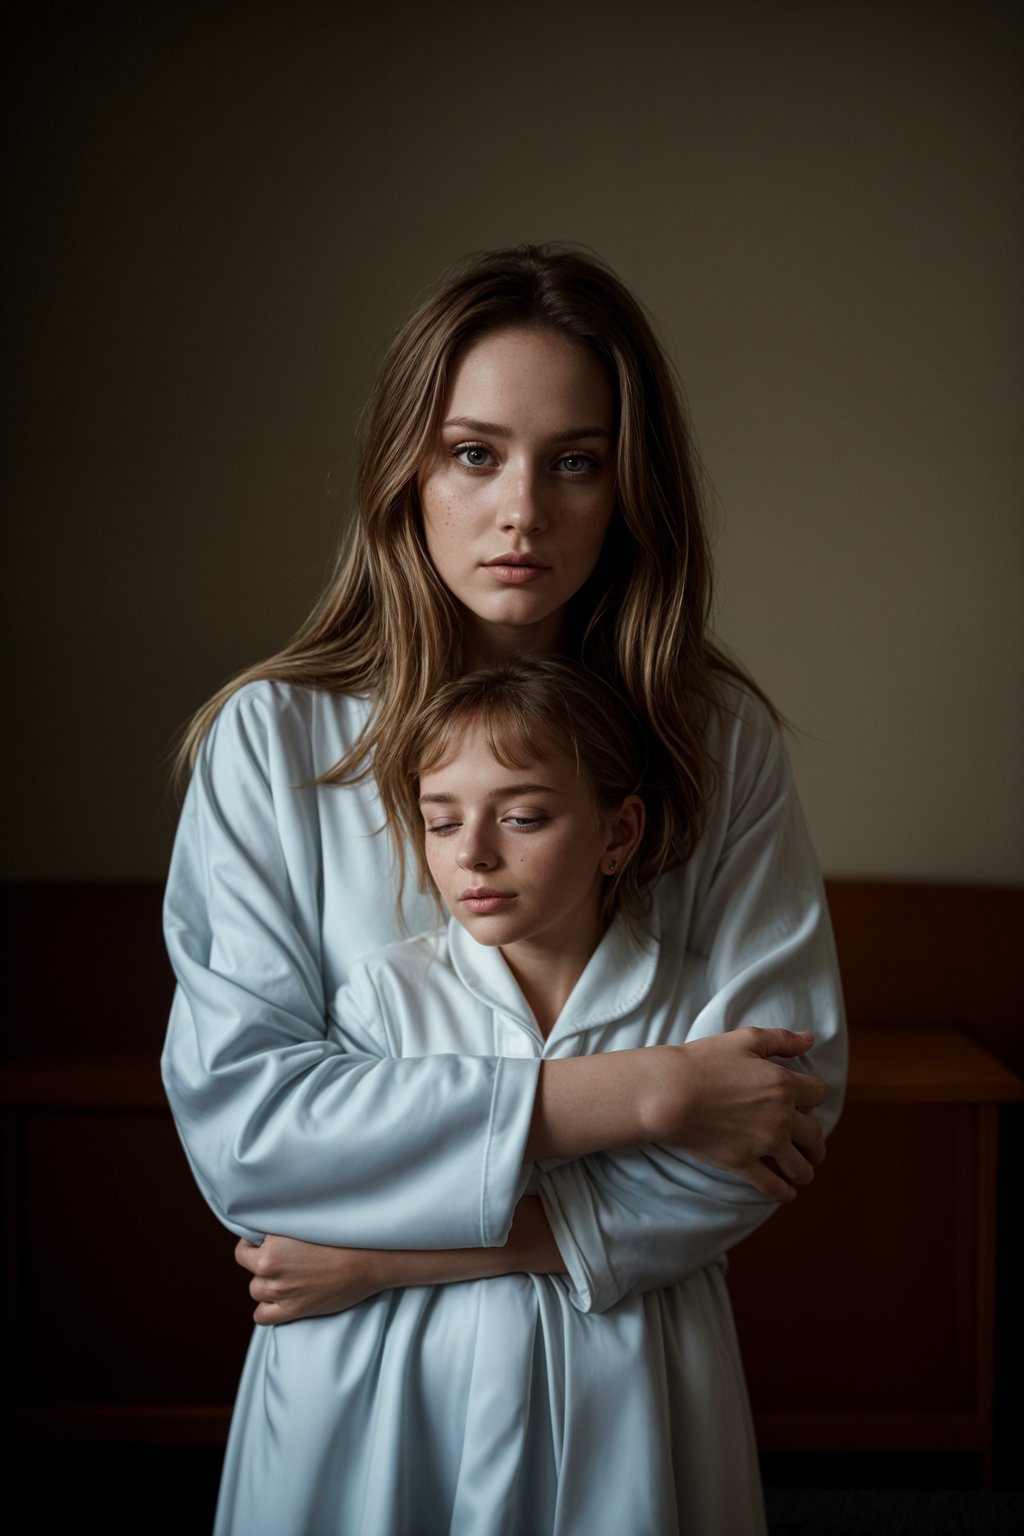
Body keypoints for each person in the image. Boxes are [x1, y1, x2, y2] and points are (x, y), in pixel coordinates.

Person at [162, 243, 846, 1536]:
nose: (521, 509)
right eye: (475, 454)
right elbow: (250, 1133)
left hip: (629, 1379)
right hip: (362, 1395)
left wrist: (404, 1250)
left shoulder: (717, 739)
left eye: (574, 461)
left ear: (629, 489)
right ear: (406, 472)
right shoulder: (271, 742)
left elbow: (775, 1119)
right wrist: (638, 1092)